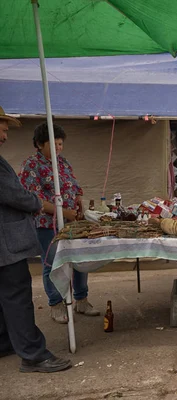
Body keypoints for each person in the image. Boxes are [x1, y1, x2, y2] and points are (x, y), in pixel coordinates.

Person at [0, 107, 71, 373]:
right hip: (6, 243)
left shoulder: (62, 163)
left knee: (5, 296)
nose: (6, 135)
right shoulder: (25, 165)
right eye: (4, 129)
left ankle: (6, 341)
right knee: (17, 295)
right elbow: (16, 194)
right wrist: (36, 203)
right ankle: (32, 354)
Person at [19, 123, 100, 324]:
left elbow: (73, 185)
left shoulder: (62, 162)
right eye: (53, 144)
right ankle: (56, 304)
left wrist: (78, 200)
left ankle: (81, 299)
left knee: (78, 258)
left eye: (61, 143)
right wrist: (64, 212)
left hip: (71, 220)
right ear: (39, 144)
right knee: (53, 262)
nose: (58, 148)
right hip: (47, 223)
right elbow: (34, 199)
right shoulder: (32, 165)